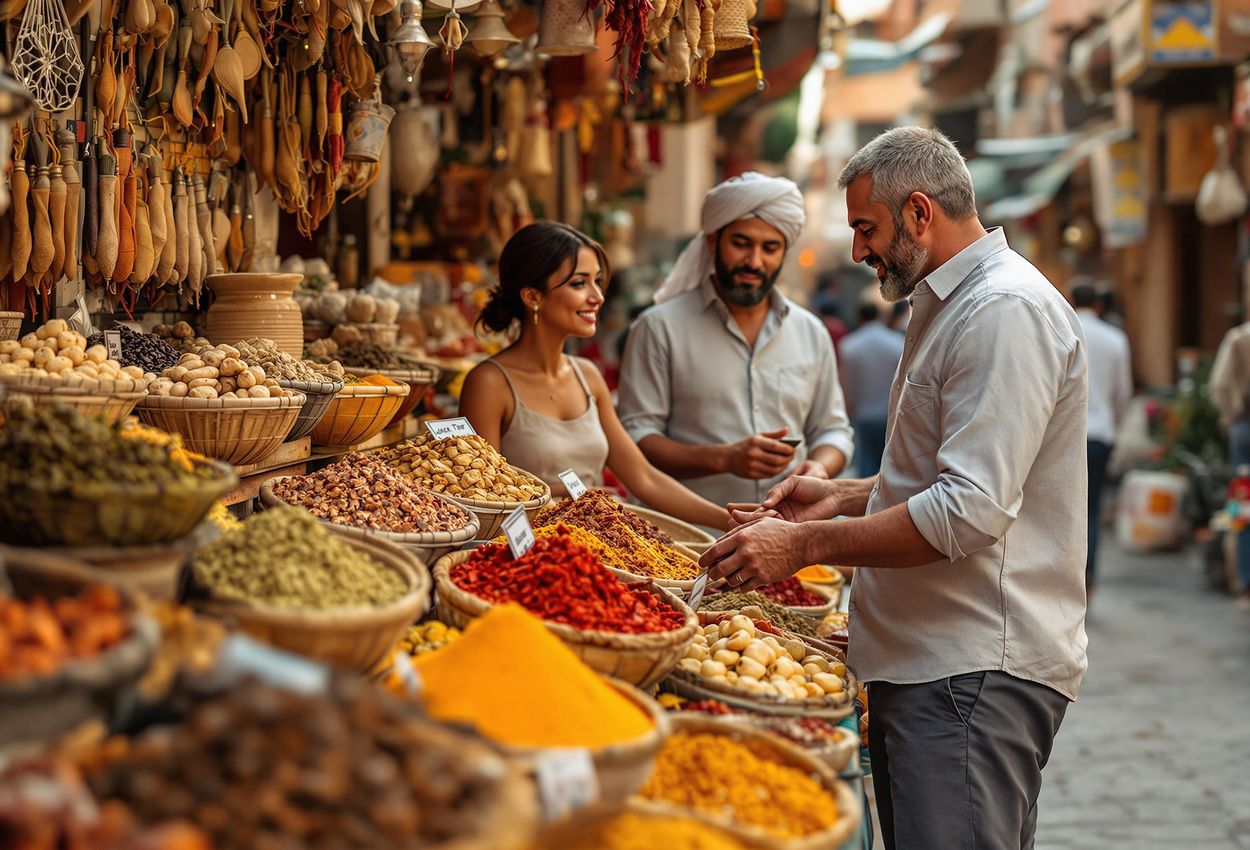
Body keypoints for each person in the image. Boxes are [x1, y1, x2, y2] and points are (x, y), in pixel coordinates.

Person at [700, 128, 1088, 849]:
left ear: (918, 212)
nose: (856, 251)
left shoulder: (1002, 310)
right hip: (933, 667)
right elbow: (942, 474)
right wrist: (843, 497)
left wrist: (803, 543)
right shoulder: (951, 304)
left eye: (865, 228)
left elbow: (968, 510)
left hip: (968, 672)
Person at [459, 221, 730, 531]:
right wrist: (573, 494)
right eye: (579, 283)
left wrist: (731, 519)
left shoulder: (587, 376)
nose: (598, 296)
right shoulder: (490, 384)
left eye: (598, 281)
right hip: (530, 557)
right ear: (533, 296)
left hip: (598, 553)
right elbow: (481, 499)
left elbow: (644, 478)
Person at [616, 172, 855, 511]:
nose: (754, 262)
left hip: (787, 534)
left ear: (784, 252)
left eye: (770, 248)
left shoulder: (811, 333)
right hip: (688, 541)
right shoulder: (657, 329)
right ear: (713, 242)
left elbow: (833, 431)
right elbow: (636, 439)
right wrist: (723, 459)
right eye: (741, 244)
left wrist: (819, 467)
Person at [1071, 279, 1132, 593]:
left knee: (1066, 508)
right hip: (1101, 433)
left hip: (1067, 434)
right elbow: (1123, 393)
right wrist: (1115, 424)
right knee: (1092, 507)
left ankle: (1069, 573)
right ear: (1098, 304)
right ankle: (1089, 574)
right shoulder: (1115, 339)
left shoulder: (1062, 328)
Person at [1209, 311, 1250, 610]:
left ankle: (1246, 583)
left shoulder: (1240, 338)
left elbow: (1220, 385)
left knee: (1243, 506)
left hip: (1245, 428)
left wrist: (1231, 417)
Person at [838, 296, 904, 477]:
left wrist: (848, 405)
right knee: (888, 464)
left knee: (865, 463)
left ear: (859, 318)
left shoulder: (849, 345)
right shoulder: (896, 343)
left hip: (863, 413)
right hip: (889, 413)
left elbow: (847, 381)